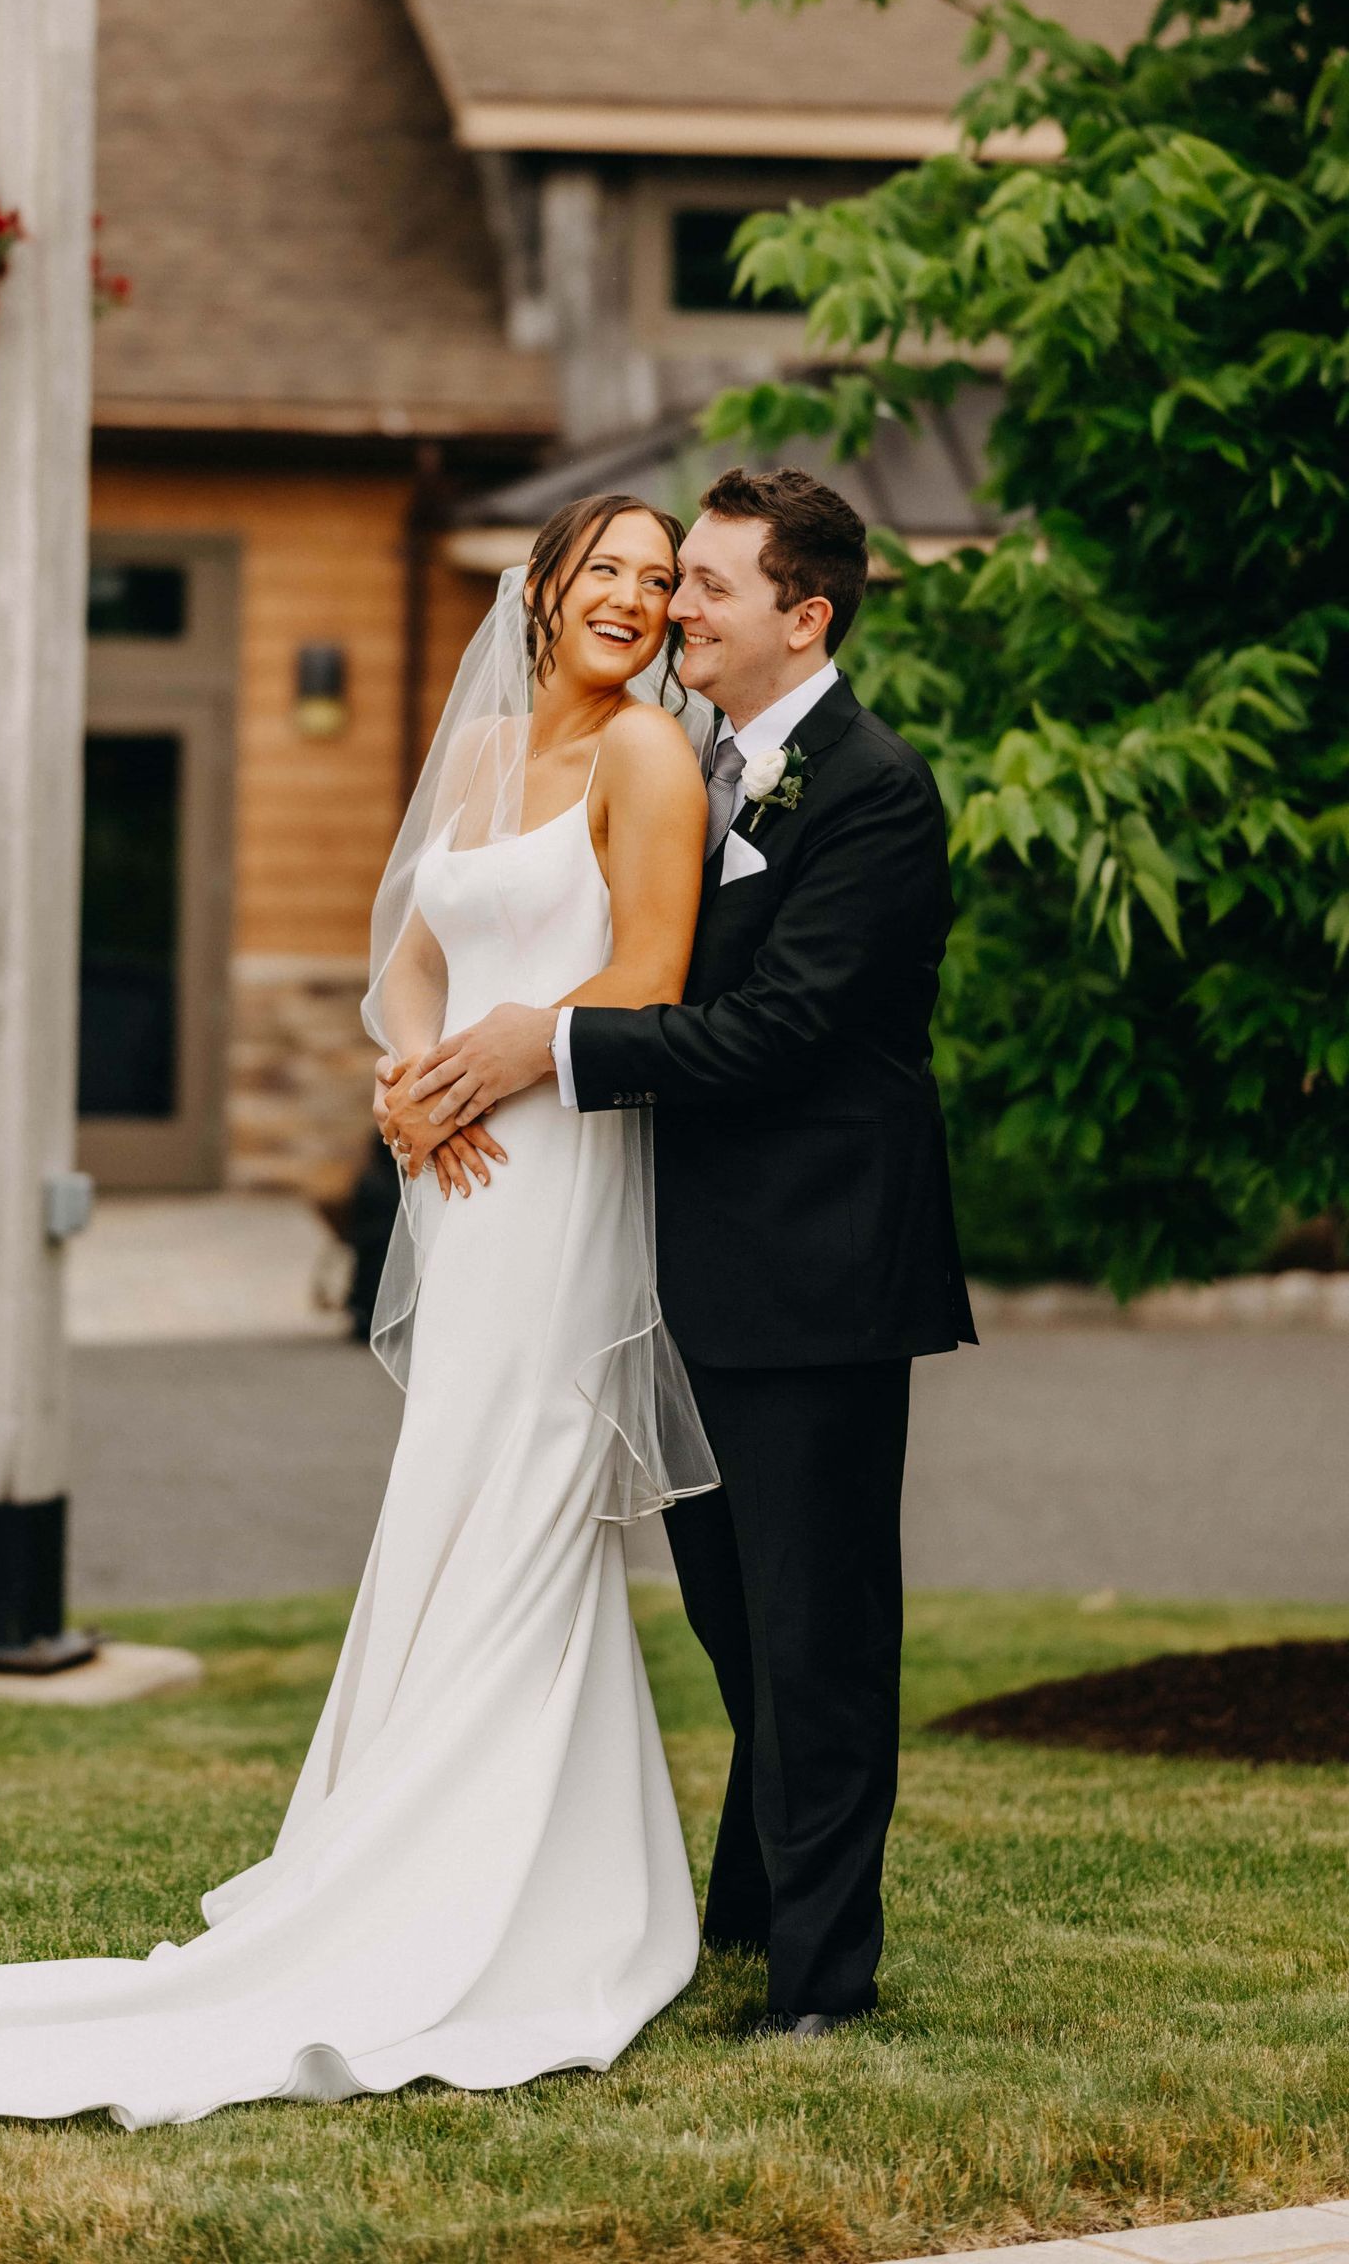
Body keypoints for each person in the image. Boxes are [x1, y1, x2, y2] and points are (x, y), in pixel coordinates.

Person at [0, 493, 720, 2129]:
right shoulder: (489, 752)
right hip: (467, 1175)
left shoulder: (652, 761)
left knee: (531, 1495)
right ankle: (393, 1858)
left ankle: (514, 1896)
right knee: (447, 1492)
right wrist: (405, 1074)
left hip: (564, 1176)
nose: (631, 601)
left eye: (658, 582)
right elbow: (415, 951)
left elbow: (645, 977)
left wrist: (480, 1065)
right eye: (608, 573)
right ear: (545, 586)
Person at [399, 466, 975, 2038]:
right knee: (739, 1622)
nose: (677, 611)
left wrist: (548, 1053)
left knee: (821, 1631)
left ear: (807, 615)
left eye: (709, 586)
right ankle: (750, 1913)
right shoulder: (704, 760)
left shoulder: (872, 789)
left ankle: (821, 1987)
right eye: (674, 580)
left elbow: (784, 1030)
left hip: (817, 1276)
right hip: (685, 1263)